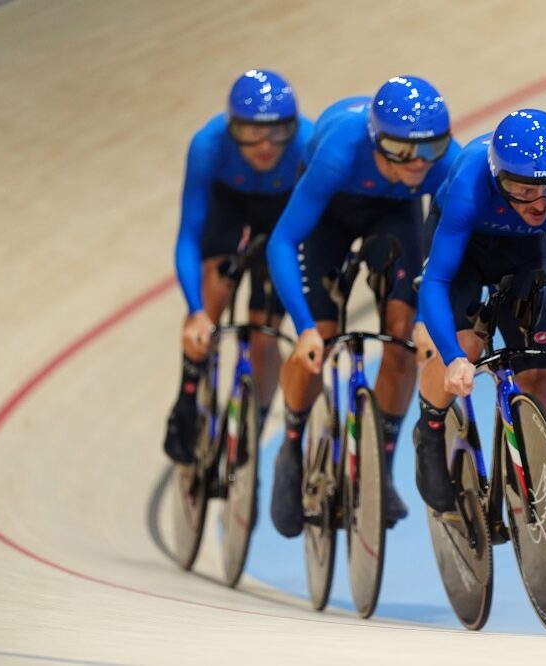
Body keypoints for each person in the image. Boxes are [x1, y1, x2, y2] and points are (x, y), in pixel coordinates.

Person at [266, 76, 461, 536]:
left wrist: (431, 319)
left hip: (395, 214)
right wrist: (305, 326)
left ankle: (379, 468)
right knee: (323, 338)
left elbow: (451, 246)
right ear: (376, 142)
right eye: (400, 150)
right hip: (331, 213)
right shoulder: (339, 154)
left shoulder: (444, 163)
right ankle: (291, 449)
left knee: (402, 338)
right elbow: (283, 240)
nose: (417, 162)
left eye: (428, 150)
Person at [413, 109, 546, 512]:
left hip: (524, 256)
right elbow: (436, 283)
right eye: (522, 191)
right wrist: (454, 358)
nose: (539, 204)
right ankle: (431, 428)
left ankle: (542, 489)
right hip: (464, 255)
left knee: (542, 375)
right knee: (467, 345)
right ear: (497, 177)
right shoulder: (469, 187)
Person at [163, 69, 313, 464]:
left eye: (278, 132)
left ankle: (252, 430)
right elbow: (189, 237)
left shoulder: (309, 144)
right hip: (228, 206)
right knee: (213, 289)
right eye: (251, 133)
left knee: (265, 337)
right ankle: (188, 394)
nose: (265, 145)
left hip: (280, 216)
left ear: (293, 128)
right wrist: (195, 312)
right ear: (232, 129)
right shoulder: (207, 146)